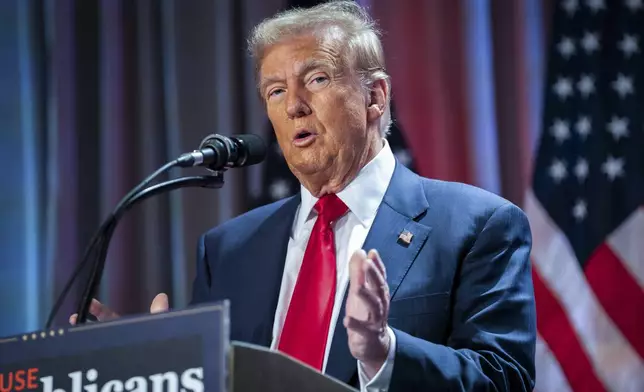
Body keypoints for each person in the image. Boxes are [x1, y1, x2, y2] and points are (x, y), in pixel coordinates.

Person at [72, 1, 536, 391]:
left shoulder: (478, 225)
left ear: (375, 96)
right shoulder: (228, 249)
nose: (293, 105)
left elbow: (506, 378)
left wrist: (383, 351)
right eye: (275, 90)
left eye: (315, 80)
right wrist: (154, 369)